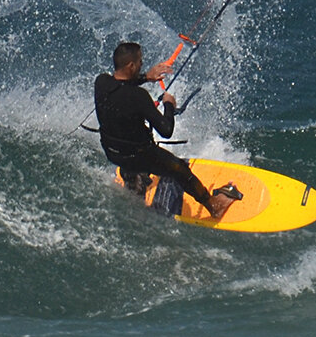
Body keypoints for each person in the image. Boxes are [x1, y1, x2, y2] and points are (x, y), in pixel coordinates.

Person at [93, 41, 237, 219]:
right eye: (140, 63)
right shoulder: (139, 97)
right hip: (139, 156)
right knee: (179, 168)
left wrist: (146, 77)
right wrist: (169, 105)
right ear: (131, 66)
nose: (142, 65)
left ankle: (134, 180)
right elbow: (166, 130)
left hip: (113, 153)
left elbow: (122, 87)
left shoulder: (101, 82)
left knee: (125, 136)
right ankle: (213, 206)